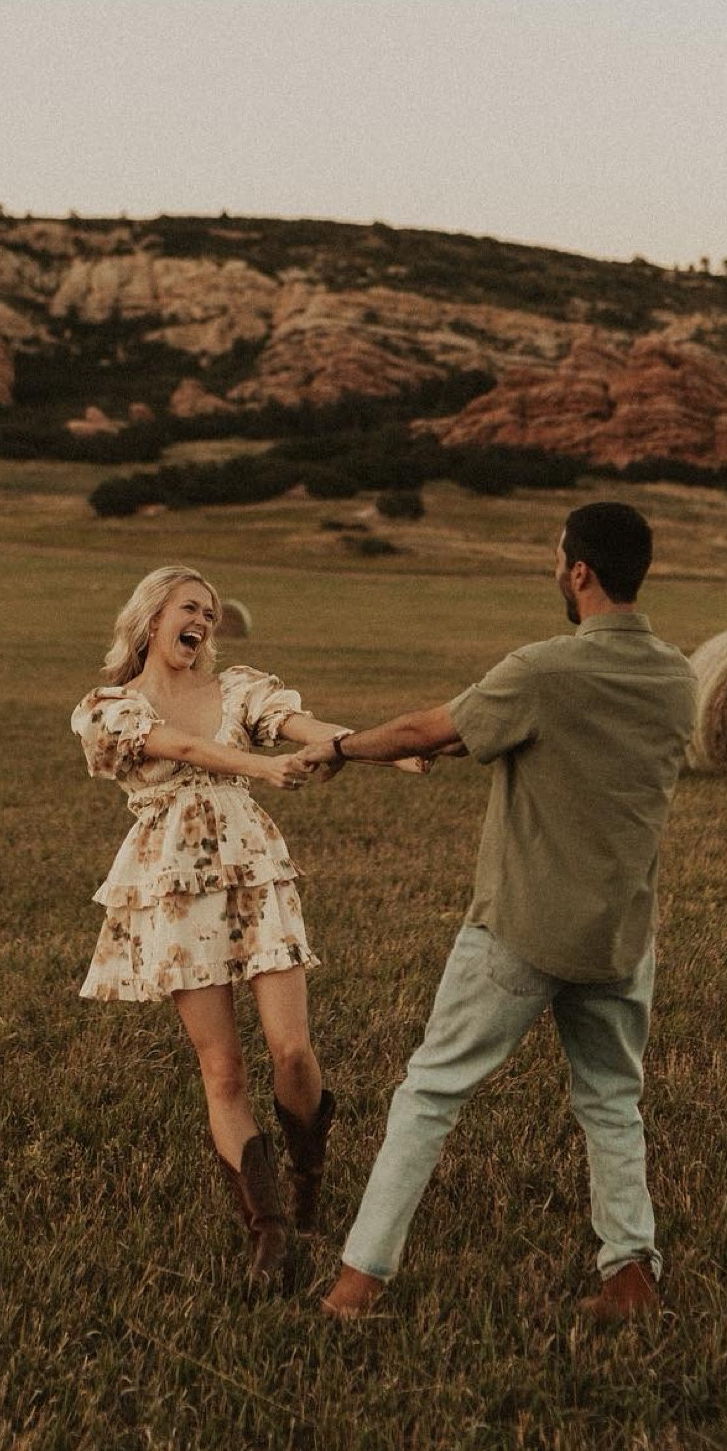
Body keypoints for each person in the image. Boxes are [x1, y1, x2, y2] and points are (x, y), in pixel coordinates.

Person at [295, 501, 698, 1323]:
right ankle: (629, 1275)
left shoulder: (546, 668)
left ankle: (355, 1286)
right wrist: (433, 745)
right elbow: (469, 735)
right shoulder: (677, 676)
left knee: (429, 1094)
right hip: (620, 935)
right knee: (612, 1104)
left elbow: (428, 726)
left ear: (578, 571)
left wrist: (336, 748)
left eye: (558, 559)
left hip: (519, 928)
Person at [71, 564, 420, 1282]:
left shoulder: (237, 689)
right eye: (188, 607)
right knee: (221, 1067)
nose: (202, 620)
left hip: (253, 869)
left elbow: (301, 726)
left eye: (210, 612)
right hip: (173, 882)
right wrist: (261, 770)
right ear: (151, 617)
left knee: (291, 1050)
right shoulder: (110, 706)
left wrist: (371, 746)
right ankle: (267, 1231)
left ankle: (308, 1173)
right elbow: (189, 752)